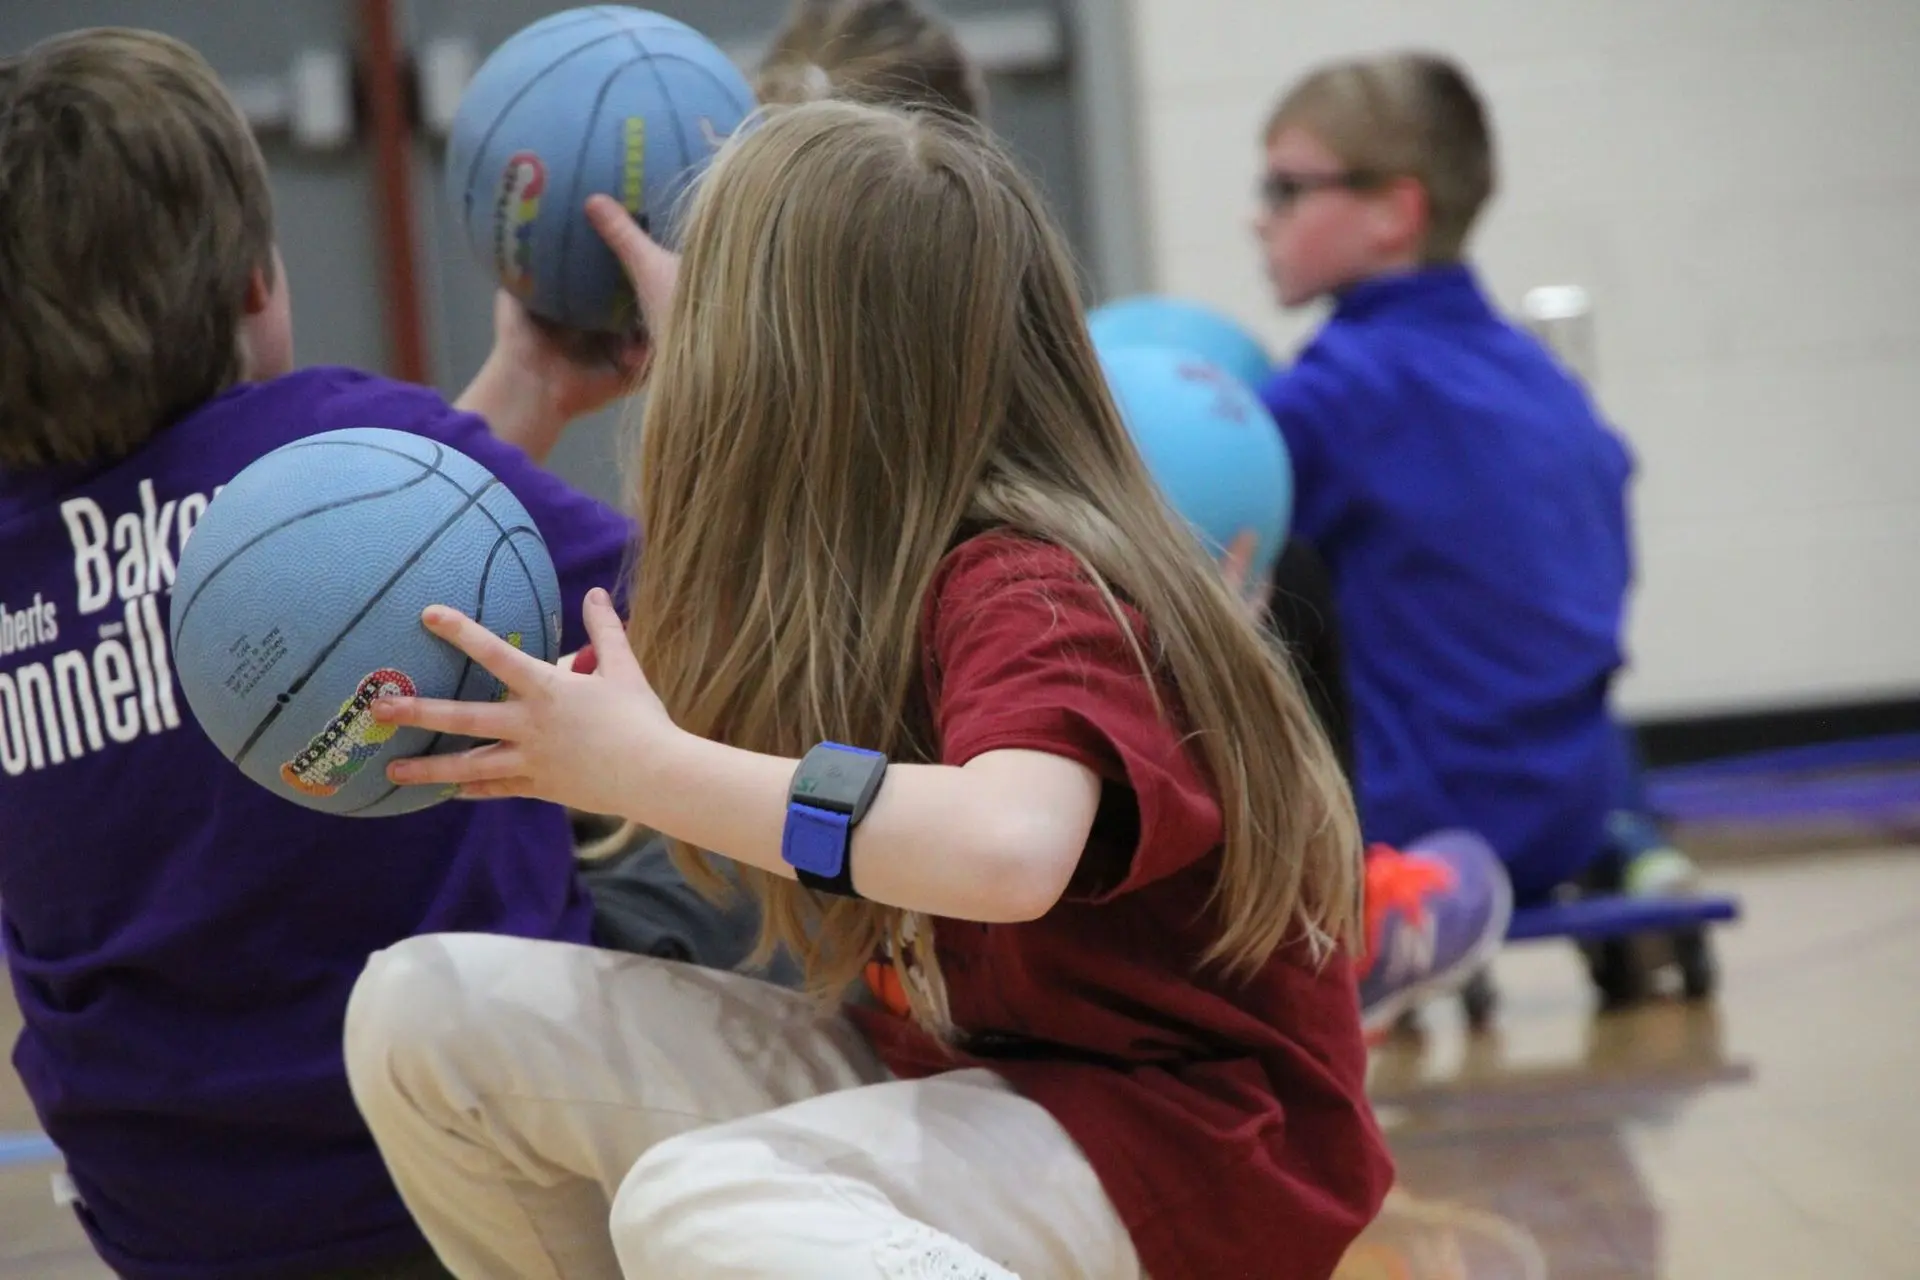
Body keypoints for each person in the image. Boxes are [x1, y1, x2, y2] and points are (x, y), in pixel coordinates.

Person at [342, 99, 1393, 1280]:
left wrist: (652, 769)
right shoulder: (807, 576)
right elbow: (550, 697)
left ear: (788, 370)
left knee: (701, 1198)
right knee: (423, 1011)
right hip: (950, 1076)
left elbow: (1007, 850)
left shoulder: (1037, 581)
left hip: (1180, 1141)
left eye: (711, 315)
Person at [0, 27, 755, 1280]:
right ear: (255, 282)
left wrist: (528, 382)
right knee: (761, 835)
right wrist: (721, 377)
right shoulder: (334, 431)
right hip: (473, 1166)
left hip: (176, 1225)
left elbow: (352, 573)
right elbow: (720, 619)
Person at [1248, 52, 1690, 1020]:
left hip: (1418, 821)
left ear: (1393, 212)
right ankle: (1631, 842)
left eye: (1285, 189)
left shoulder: (1336, 396)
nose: (1257, 218)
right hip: (1571, 810)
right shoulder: (1543, 380)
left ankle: (1388, 917)